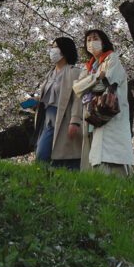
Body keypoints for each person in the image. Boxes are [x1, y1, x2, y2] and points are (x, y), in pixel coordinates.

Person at [72, 29, 134, 176]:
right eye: (88, 40)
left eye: (95, 38)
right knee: (93, 148)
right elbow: (77, 87)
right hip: (92, 112)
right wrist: (96, 77)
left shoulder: (112, 59)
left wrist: (89, 84)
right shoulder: (88, 67)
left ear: (103, 41)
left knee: (108, 150)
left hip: (108, 111)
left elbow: (105, 85)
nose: (91, 42)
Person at [31, 36, 83, 170]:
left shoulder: (75, 72)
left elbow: (78, 98)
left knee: (62, 155)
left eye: (55, 47)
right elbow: (46, 97)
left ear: (64, 50)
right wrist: (33, 102)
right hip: (46, 118)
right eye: (52, 47)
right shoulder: (49, 74)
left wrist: (75, 120)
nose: (52, 50)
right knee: (42, 153)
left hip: (64, 118)